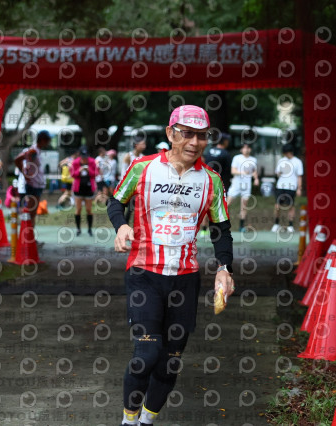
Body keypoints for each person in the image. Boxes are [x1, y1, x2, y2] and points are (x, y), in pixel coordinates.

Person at [107, 105, 234, 426]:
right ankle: (128, 422)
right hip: (144, 274)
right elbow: (116, 201)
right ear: (170, 133)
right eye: (187, 134)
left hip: (185, 280)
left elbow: (221, 228)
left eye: (202, 136)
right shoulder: (142, 168)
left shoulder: (212, 181)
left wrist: (224, 268)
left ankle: (146, 421)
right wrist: (121, 225)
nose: (194, 142)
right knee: (147, 355)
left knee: (169, 363)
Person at [14, 130, 51, 228]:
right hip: (33, 185)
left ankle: (30, 234)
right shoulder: (32, 151)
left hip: (38, 184)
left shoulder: (38, 150)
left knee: (33, 212)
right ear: (42, 140)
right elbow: (17, 160)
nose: (49, 142)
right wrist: (25, 174)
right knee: (31, 212)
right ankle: (27, 233)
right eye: (48, 140)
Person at [200, 133, 232, 236]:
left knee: (206, 206)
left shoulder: (209, 151)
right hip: (218, 184)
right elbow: (228, 171)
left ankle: (203, 229)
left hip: (206, 182)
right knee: (218, 207)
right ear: (225, 141)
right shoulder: (226, 154)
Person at [226, 143, 259, 232]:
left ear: (250, 149)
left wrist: (256, 179)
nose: (246, 149)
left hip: (246, 185)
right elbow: (233, 171)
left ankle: (241, 226)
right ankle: (222, 223)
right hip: (236, 184)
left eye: (248, 148)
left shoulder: (253, 160)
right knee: (227, 204)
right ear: (241, 150)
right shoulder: (237, 158)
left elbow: (254, 171)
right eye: (244, 148)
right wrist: (243, 173)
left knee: (244, 206)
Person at [271, 143, 303, 233]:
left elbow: (299, 176)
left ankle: (290, 225)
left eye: (286, 153)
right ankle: (276, 224)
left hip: (291, 187)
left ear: (290, 152)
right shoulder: (281, 161)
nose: (285, 154)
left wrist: (299, 188)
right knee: (277, 206)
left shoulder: (297, 162)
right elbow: (277, 173)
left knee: (291, 206)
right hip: (280, 186)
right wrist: (280, 172)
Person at [71, 146, 97, 236]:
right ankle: (78, 229)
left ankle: (89, 229)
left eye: (86, 156)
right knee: (78, 209)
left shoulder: (92, 162)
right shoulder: (75, 162)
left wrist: (89, 170)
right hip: (78, 189)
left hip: (89, 189)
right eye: (83, 156)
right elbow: (72, 174)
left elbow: (95, 174)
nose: (84, 158)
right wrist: (79, 170)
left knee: (89, 209)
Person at [122, 137, 147, 224]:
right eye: (142, 144)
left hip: (139, 186)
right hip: (129, 186)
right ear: (136, 145)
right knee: (129, 208)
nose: (144, 146)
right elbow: (123, 171)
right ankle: (124, 226)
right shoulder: (129, 156)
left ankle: (136, 227)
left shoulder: (143, 157)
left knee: (137, 207)